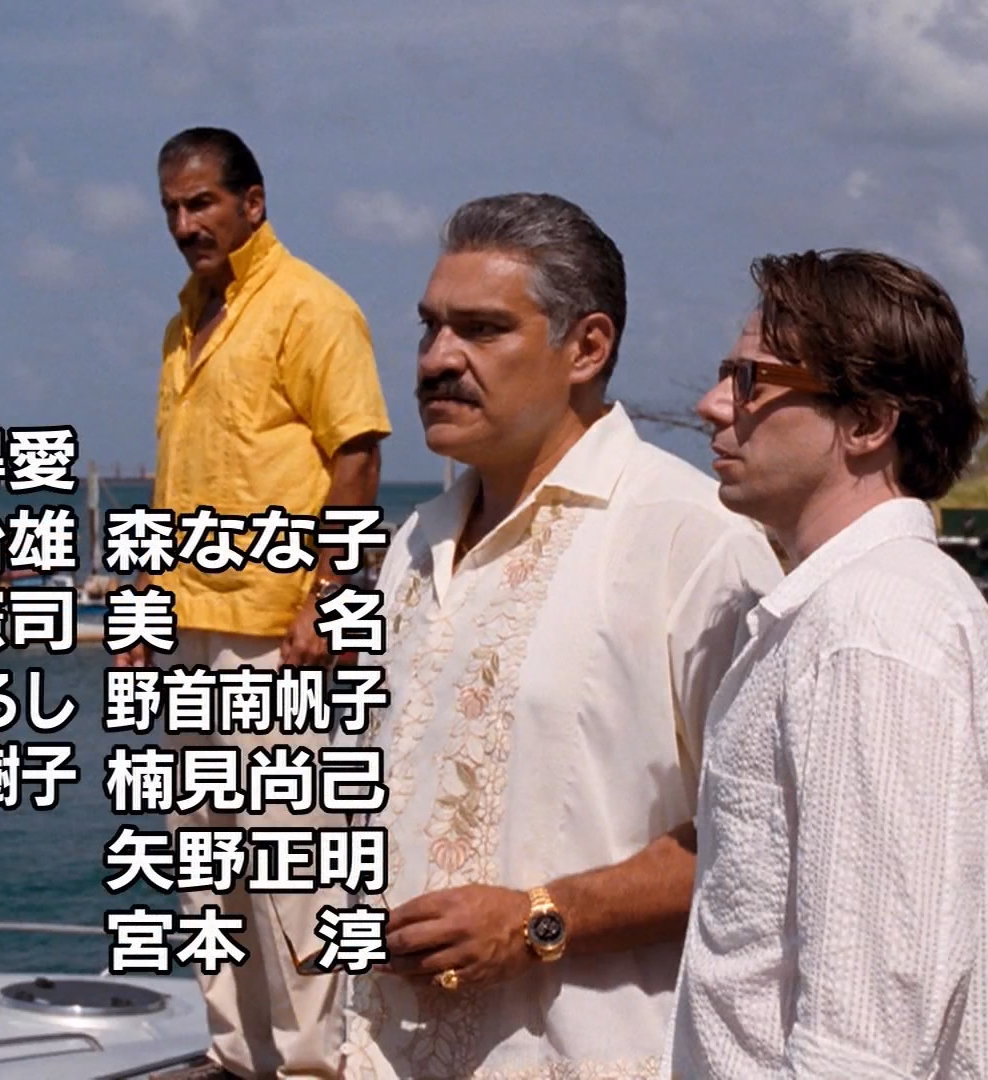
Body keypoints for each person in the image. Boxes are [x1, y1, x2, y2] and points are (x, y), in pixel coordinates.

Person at [335, 192, 783, 1078]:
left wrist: (538, 919)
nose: (436, 359)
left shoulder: (691, 540)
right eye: (429, 327)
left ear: (587, 347)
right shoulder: (413, 542)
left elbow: (768, 839)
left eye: (481, 329)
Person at [666, 249, 988, 1076]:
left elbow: (867, 1033)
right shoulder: (879, 608)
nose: (711, 405)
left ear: (869, 422)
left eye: (750, 380)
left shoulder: (868, 627)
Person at [138, 126, 392, 1080]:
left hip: (280, 639)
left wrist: (324, 598)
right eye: (172, 207)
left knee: (293, 867)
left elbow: (356, 457)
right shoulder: (184, 325)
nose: (185, 223)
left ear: (252, 201)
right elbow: (177, 478)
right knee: (205, 865)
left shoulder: (311, 306)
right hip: (189, 627)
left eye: (201, 202)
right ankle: (235, 1055)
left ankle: (314, 1065)